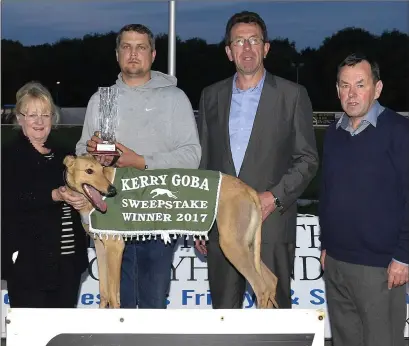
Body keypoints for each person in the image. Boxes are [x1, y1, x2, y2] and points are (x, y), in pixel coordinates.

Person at [195, 11, 319, 309]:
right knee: (225, 316)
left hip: (272, 223)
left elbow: (307, 159)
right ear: (229, 51)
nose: (247, 48)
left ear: (266, 48)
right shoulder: (210, 96)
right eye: (239, 41)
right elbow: (203, 164)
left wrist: (273, 198)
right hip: (221, 224)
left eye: (254, 40)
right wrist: (199, 220)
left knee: (274, 314)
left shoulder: (293, 95)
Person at [76, 24, 201, 309]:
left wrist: (140, 162)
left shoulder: (175, 98)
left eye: (141, 47)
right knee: (115, 303)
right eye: (127, 47)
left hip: (158, 215)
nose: (133, 53)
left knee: (151, 303)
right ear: (117, 54)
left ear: (153, 54)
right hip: (112, 215)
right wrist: (95, 156)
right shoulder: (101, 100)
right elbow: (81, 154)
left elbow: (192, 157)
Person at [319, 53, 409, 346]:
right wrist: (325, 245)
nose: (352, 93)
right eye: (345, 85)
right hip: (338, 263)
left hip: (381, 267)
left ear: (378, 88)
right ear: (337, 90)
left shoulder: (399, 131)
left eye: (360, 84)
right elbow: (327, 193)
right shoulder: (333, 134)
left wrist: (404, 255)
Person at [1, 81, 89, 308]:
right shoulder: (8, 156)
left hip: (69, 262)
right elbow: (11, 200)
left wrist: (83, 199)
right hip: (28, 264)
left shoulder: (65, 154)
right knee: (30, 335)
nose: (39, 121)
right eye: (32, 115)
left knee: (62, 335)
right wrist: (54, 195)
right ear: (19, 119)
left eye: (45, 114)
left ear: (53, 118)